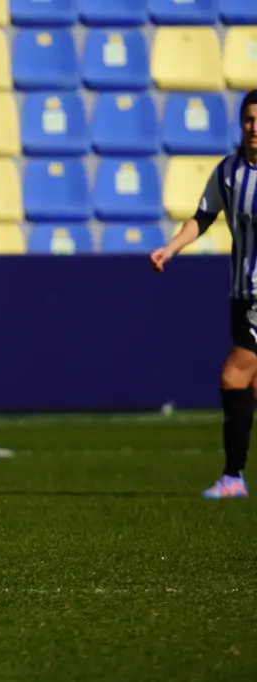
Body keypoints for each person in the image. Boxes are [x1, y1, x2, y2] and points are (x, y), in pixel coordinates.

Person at [150, 88, 257, 499]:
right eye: (248, 119)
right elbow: (202, 218)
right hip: (240, 295)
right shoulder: (229, 173)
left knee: (234, 376)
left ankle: (233, 477)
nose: (254, 127)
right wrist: (170, 248)